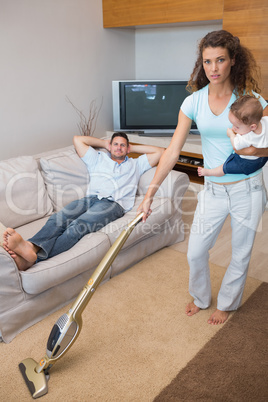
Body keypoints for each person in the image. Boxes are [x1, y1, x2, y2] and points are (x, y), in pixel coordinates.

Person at [138, 30, 268, 325]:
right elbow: (172, 151)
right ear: (202, 64)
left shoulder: (252, 102)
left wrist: (246, 149)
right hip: (213, 190)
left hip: (247, 189)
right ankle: (201, 296)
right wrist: (150, 195)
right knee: (196, 252)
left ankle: (227, 302)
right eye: (207, 61)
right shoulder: (193, 102)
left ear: (233, 60)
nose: (214, 68)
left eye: (220, 60)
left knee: (240, 252)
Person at [3, 133, 164, 271]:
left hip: (113, 204)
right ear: (110, 145)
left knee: (77, 227)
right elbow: (77, 139)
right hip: (90, 199)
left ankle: (34, 259)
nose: (119, 148)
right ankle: (31, 247)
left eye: (123, 145)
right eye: (115, 144)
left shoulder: (135, 164)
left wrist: (132, 148)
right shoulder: (98, 158)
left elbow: (160, 152)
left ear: (127, 148)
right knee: (58, 218)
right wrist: (105, 144)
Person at [198, 95, 268, 177]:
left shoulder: (247, 137)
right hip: (263, 158)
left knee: (226, 167)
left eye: (237, 127)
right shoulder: (265, 120)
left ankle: (209, 172)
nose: (233, 128)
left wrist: (231, 134)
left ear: (252, 127)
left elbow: (236, 146)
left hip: (248, 163)